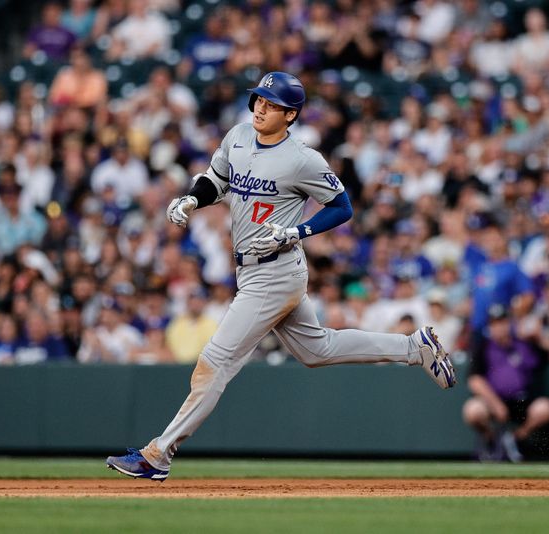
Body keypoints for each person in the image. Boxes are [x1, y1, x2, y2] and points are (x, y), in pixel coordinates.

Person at [106, 72, 456, 480]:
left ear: (290, 114)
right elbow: (217, 179)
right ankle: (415, 348)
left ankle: (157, 455)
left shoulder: (302, 158)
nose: (260, 108)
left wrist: (298, 230)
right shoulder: (238, 135)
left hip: (275, 270)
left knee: (215, 361)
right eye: (258, 99)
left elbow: (342, 206)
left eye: (271, 104)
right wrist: (191, 199)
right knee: (317, 351)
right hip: (254, 270)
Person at [462, 305, 549, 462]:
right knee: (473, 410)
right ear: (490, 326)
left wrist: (539, 337)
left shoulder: (524, 344)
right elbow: (474, 380)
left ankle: (516, 438)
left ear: (509, 323)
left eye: (502, 322)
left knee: (545, 408)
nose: (499, 327)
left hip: (522, 401)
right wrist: (496, 404)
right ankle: (491, 439)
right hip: (495, 401)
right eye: (495, 323)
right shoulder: (483, 346)